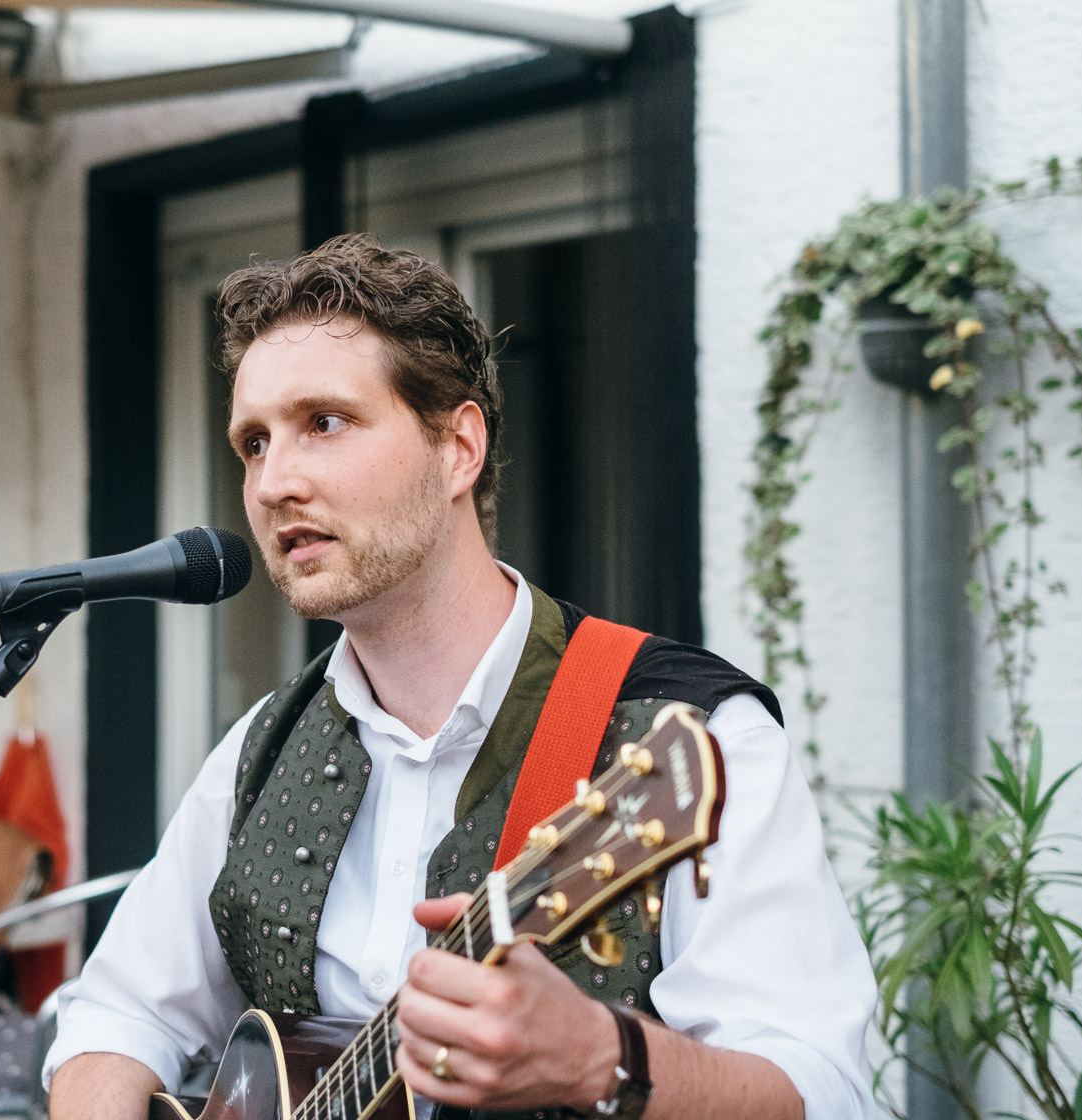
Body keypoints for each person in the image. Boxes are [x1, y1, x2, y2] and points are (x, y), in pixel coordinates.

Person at [43, 234, 876, 1120]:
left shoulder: (690, 737)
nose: (274, 481)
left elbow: (826, 1092)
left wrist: (605, 1059)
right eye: (253, 442)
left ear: (458, 447)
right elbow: (117, 1012)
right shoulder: (263, 749)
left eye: (324, 422)